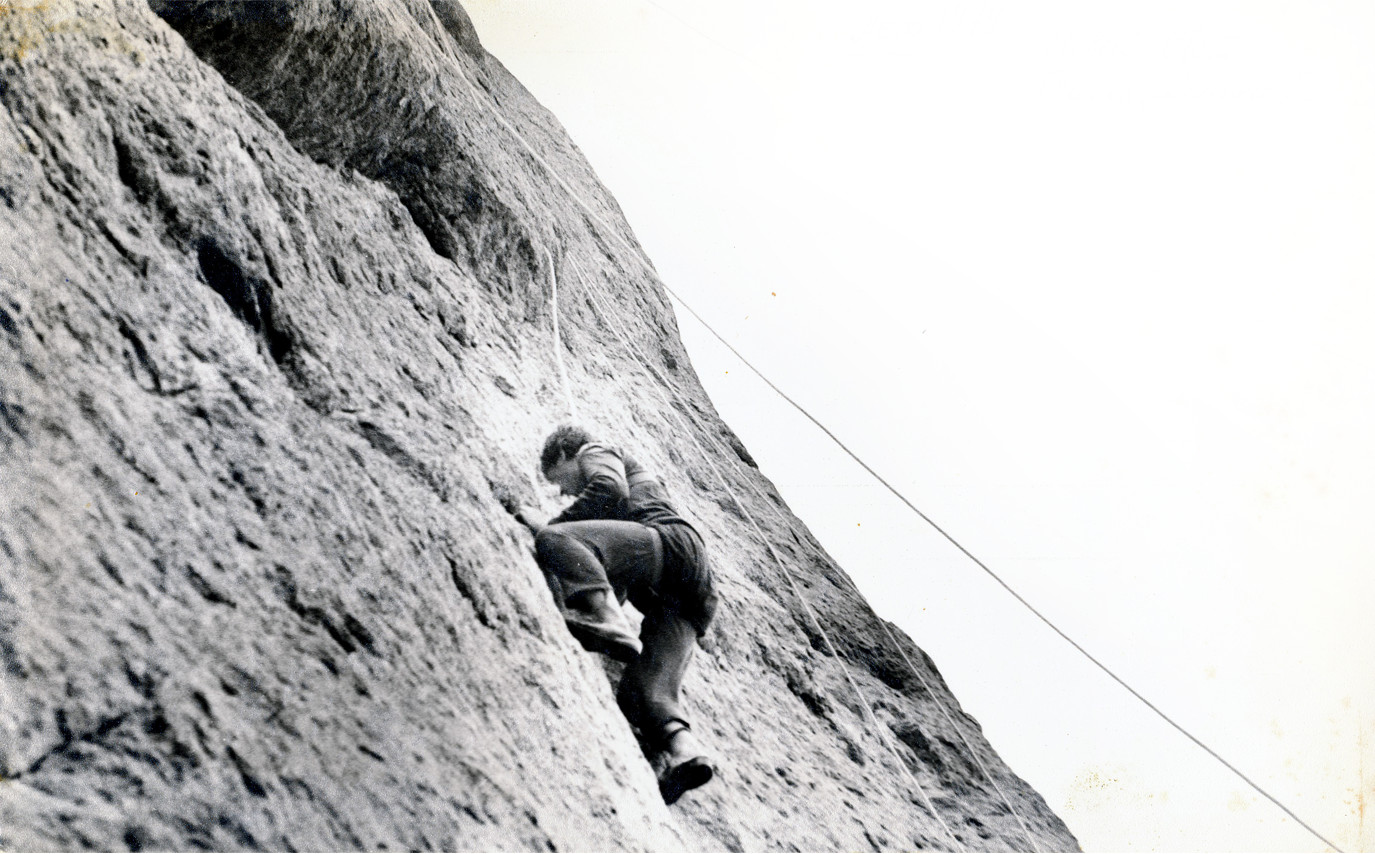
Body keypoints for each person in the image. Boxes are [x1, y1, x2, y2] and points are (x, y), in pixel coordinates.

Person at [511, 425, 719, 804]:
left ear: (564, 455)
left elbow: (608, 488)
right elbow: (614, 575)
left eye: (559, 481)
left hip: (670, 547)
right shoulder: (624, 528)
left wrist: (550, 526)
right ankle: (685, 752)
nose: (564, 492)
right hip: (690, 594)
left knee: (557, 539)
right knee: (642, 692)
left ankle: (608, 621)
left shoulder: (596, 449)